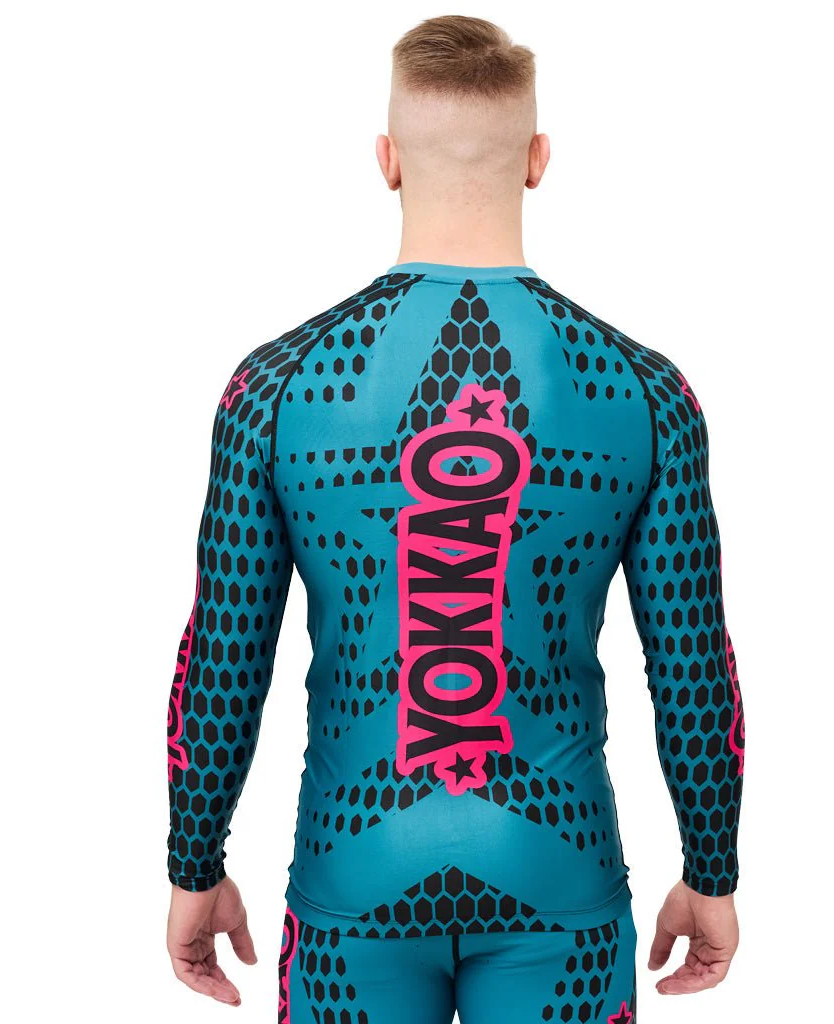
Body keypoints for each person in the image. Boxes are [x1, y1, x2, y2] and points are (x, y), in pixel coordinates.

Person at [166, 15, 744, 1023]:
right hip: (556, 864)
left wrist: (192, 865)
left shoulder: (273, 387)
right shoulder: (646, 391)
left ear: (386, 161)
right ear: (538, 160)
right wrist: (713, 871)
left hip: (355, 869)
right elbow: (693, 663)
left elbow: (223, 655)